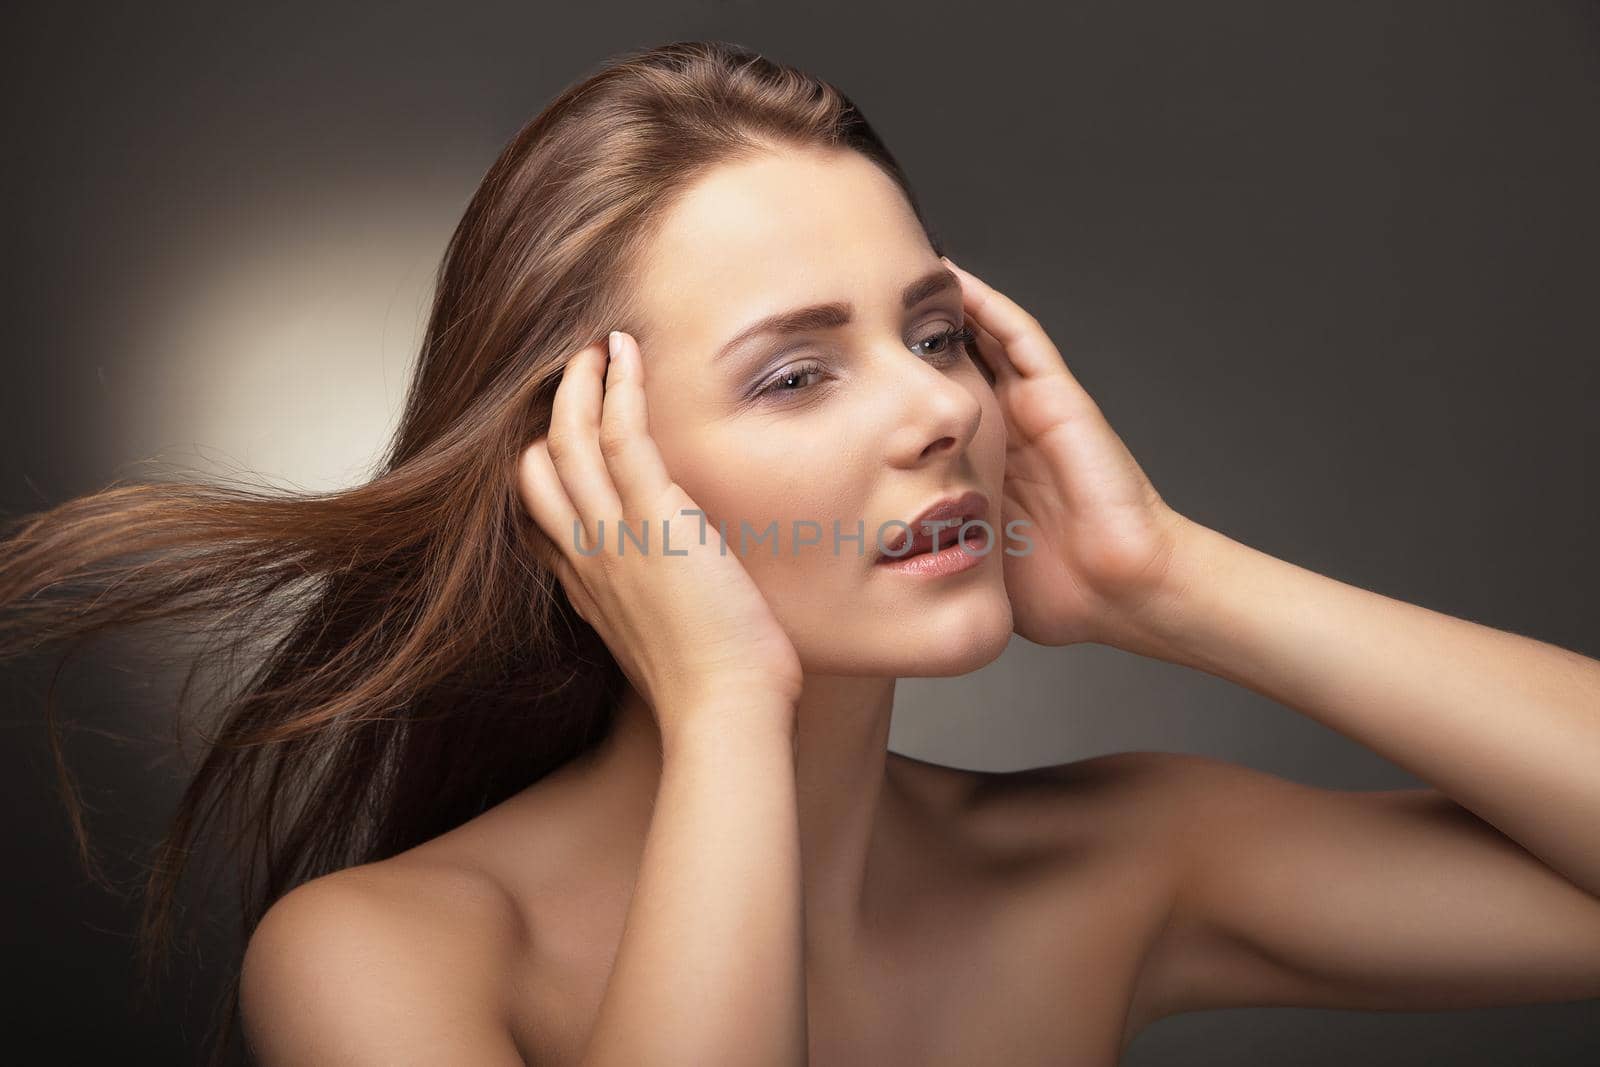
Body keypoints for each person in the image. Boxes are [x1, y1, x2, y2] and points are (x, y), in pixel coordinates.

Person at [4, 39, 1597, 1067]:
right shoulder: (392, 959)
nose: (936, 411)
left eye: (934, 331)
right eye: (796, 369)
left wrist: (1174, 580)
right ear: (587, 475)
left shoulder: (1116, 865)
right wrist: (721, 715)